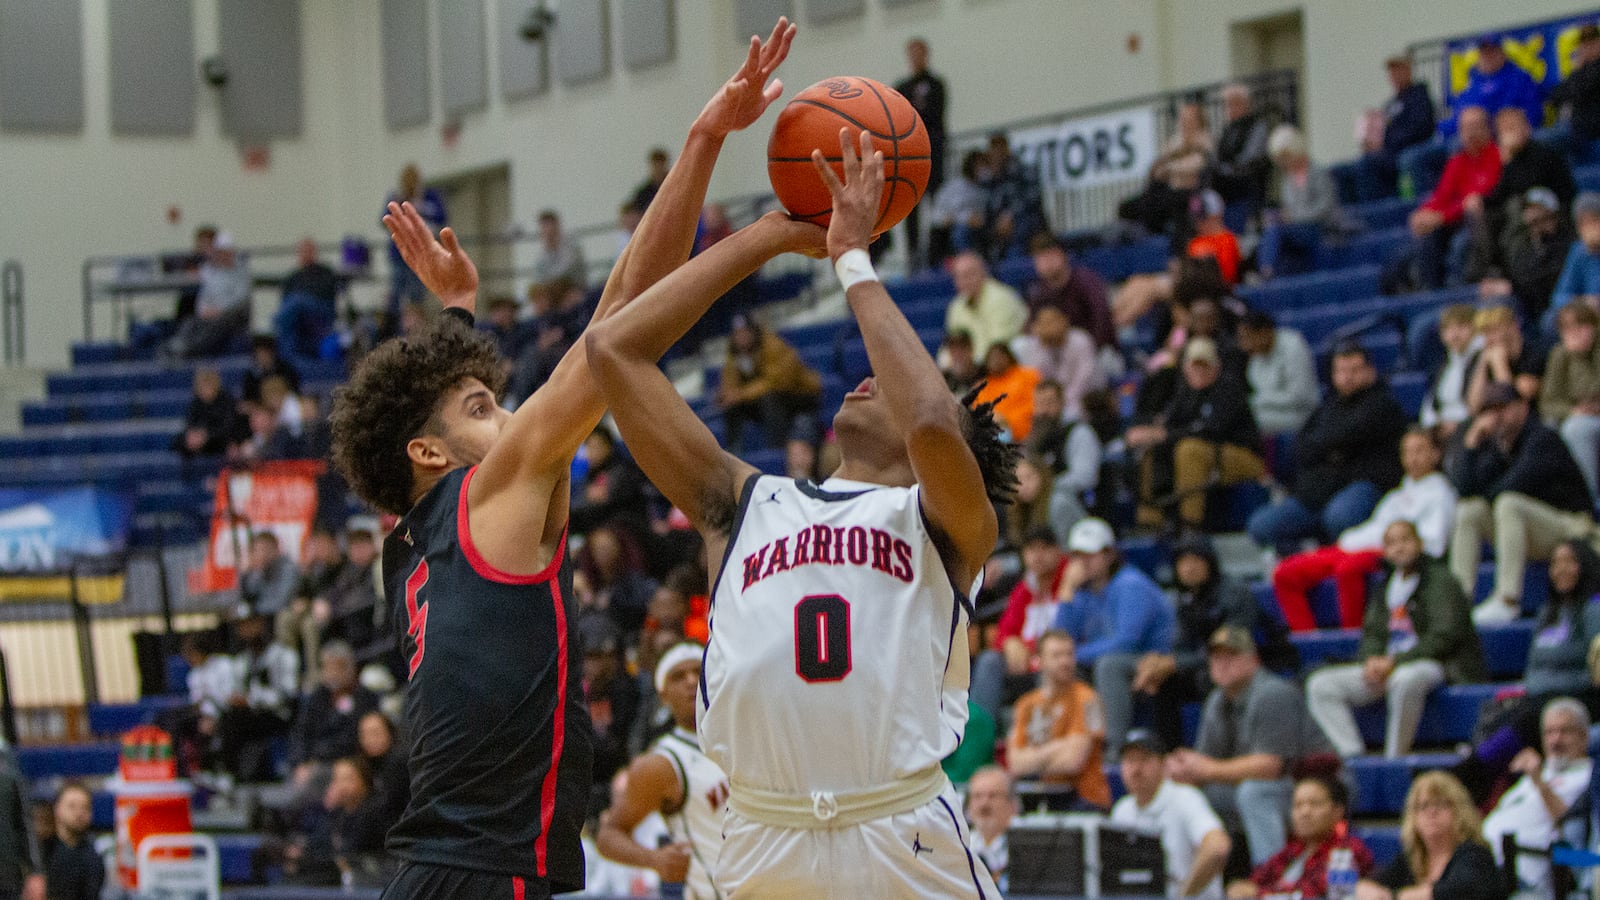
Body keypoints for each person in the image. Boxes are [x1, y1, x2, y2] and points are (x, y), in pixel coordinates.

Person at [329, 22, 798, 899]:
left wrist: (460, 318)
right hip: (484, 875)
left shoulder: (408, 546)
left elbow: (583, 339)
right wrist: (722, 172)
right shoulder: (491, 491)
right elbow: (618, 326)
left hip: (434, 871)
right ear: (430, 451)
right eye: (483, 407)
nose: (510, 416)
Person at [584, 125, 1009, 896]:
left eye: (904, 380)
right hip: (761, 833)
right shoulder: (741, 504)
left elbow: (935, 425)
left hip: (902, 828)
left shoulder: (947, 523)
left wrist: (853, 260)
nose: (875, 377)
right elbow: (614, 349)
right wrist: (768, 237)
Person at [1306, 520, 1485, 758]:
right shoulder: (1385, 585)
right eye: (1392, 543)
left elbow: (1445, 635)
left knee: (1405, 679)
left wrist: (1397, 661)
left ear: (1419, 544)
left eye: (1405, 540)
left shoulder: (1441, 580)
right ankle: (1352, 755)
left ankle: (1394, 759)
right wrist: (1371, 660)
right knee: (1320, 685)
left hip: (1434, 662)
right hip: (1389, 665)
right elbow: (1373, 633)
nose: (1399, 547)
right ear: (1385, 550)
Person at [1168, 626, 1336, 867]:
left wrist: (1205, 769)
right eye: (1216, 657)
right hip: (1270, 788)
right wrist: (1183, 768)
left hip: (1317, 788)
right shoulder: (1217, 700)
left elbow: (1270, 767)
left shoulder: (1273, 693)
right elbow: (1204, 762)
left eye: (1231, 656)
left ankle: (1271, 879)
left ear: (1253, 660)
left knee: (1255, 793)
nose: (1222, 664)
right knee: (1185, 794)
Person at [1455, 540, 1600, 804]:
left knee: (1530, 715)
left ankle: (1470, 772)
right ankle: (1478, 781)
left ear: (1585, 566)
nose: (1561, 569)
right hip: (1538, 701)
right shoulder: (1547, 613)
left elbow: (1596, 668)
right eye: (1555, 562)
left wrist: (1555, 687)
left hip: (1581, 699)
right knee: (1501, 710)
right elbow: (1533, 669)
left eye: (1569, 561)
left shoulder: (1593, 610)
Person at [1272, 428, 1457, 632]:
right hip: (1360, 546)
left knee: (1349, 568)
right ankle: (1307, 642)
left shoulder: (1441, 494)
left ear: (1436, 454)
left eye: (1419, 450)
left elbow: (1433, 545)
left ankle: (1352, 639)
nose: (1413, 458)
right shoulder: (1396, 495)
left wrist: (1388, 545)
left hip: (1388, 553)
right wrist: (1352, 540)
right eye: (1408, 452)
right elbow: (1375, 527)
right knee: (1286, 572)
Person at [1445, 382, 1597, 625]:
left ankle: (1508, 599)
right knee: (1469, 510)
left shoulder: (1542, 438)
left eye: (1502, 408)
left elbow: (1511, 487)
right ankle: (1458, 605)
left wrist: (1483, 484)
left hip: (1573, 527)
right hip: (1530, 528)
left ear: (1522, 407)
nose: (1495, 417)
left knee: (1508, 503)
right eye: (1489, 411)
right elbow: (1465, 490)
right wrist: (1471, 445)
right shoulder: (1497, 445)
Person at [1139, 536, 1295, 755]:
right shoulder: (1185, 600)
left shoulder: (1234, 592)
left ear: (1210, 562)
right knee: (1164, 680)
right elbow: (1182, 647)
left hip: (1262, 663)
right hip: (1209, 664)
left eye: (1195, 561)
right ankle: (1170, 754)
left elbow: (1231, 647)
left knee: (1211, 676)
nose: (1188, 568)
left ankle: (1217, 753)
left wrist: (1175, 662)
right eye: (1182, 562)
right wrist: (1158, 664)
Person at [1248, 345, 1408, 553]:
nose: (1347, 377)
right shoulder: (1327, 408)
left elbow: (1350, 434)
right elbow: (1301, 447)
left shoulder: (1383, 405)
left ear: (1370, 372)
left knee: (1339, 516)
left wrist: (1329, 447)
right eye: (1341, 371)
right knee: (1261, 525)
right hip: (1319, 491)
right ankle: (1302, 563)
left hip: (1364, 486)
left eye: (1354, 370)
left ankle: (1338, 563)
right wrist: (1332, 449)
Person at [596, 644, 727, 900]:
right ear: (663, 696)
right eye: (678, 676)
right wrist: (655, 859)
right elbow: (608, 836)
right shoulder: (662, 763)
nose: (691, 681)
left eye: (697, 672)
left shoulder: (748, 739)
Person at [1127, 337, 1263, 531]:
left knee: (1189, 450)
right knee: (1152, 448)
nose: (1200, 371)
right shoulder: (1184, 393)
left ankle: (1190, 524)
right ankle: (1150, 523)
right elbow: (1168, 426)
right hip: (1208, 454)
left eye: (1205, 366)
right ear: (1185, 368)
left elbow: (1210, 430)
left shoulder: (1229, 390)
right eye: (1195, 366)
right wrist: (1152, 434)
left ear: (1216, 367)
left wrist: (1164, 435)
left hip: (1246, 458)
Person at [1401, 36, 1541, 198]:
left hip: (1494, 137)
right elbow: (1455, 117)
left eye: (1492, 52)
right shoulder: (1471, 84)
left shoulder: (1518, 78)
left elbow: (1529, 113)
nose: (1487, 56)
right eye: (1483, 52)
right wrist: (1445, 129)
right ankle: (1427, 203)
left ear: (1502, 54)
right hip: (1460, 136)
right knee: (1412, 157)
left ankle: (1464, 197)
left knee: (1457, 147)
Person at [1481, 698, 1593, 895]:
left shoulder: (1589, 776)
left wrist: (1539, 783)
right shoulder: (1539, 770)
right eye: (1549, 732)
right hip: (1487, 861)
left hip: (1525, 874)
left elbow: (1572, 829)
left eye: (1564, 731)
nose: (1555, 740)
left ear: (1584, 736)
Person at [1390, 106, 1502, 293]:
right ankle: (1430, 293)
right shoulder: (1457, 161)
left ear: (1487, 129)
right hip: (1453, 221)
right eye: (1466, 128)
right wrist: (1424, 213)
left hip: (1484, 220)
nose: (1471, 133)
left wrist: (1441, 217)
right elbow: (1442, 196)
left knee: (1460, 243)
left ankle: (1460, 292)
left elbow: (1480, 197)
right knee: (1425, 238)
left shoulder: (1497, 157)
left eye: (1476, 127)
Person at [1110, 729, 1231, 900]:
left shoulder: (1185, 798)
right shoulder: (1122, 810)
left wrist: (1185, 894)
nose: (1136, 769)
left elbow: (1217, 846)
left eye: (1144, 760)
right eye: (1130, 760)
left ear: (1163, 764)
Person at [1354, 771, 1504, 900]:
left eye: (1441, 804)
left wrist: (1400, 896)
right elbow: (1370, 884)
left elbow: (1462, 889)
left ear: (1460, 812)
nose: (1431, 812)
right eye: (1423, 806)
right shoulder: (1412, 859)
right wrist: (1366, 889)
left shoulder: (1474, 854)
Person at [1006, 630, 1113, 811]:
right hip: (1041, 798)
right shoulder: (1025, 705)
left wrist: (1034, 756)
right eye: (1056, 655)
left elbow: (1073, 762)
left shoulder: (1089, 700)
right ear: (1039, 660)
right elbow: (1015, 764)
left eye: (1069, 654)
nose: (1065, 661)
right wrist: (1061, 746)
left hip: (1085, 801)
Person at [971, 525, 1066, 721]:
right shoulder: (1025, 588)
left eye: (1045, 548)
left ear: (1057, 551)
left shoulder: (1068, 582)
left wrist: (1029, 648)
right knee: (989, 660)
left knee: (1050, 663)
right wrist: (1009, 643)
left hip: (1054, 658)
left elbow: (1068, 630)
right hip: (1024, 662)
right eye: (1032, 549)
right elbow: (1004, 631)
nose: (1038, 556)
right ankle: (979, 731)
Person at [1228, 775, 1374, 900]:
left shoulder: (1347, 850)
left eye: (1314, 804)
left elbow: (1315, 894)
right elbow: (1254, 881)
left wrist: (1258, 894)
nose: (1304, 812)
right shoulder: (1291, 850)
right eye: (1297, 805)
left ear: (1337, 811)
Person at [716, 313, 822, 454]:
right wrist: (728, 395)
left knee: (770, 399)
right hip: (764, 399)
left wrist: (741, 394)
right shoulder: (734, 355)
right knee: (732, 406)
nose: (742, 337)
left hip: (799, 395)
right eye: (737, 334)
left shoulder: (773, 345)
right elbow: (729, 384)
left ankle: (776, 450)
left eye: (745, 332)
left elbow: (777, 382)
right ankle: (734, 452)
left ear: (754, 331)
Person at [1258, 125, 1353, 279]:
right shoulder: (1287, 181)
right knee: (1272, 229)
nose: (1284, 162)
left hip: (1320, 227)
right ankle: (1268, 271)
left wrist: (1293, 217)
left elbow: (1325, 207)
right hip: (1298, 229)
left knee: (1276, 231)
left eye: (1286, 156)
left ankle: (1266, 270)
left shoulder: (1318, 173)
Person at [1340, 55, 1436, 203]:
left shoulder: (1419, 96)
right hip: (1385, 153)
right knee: (1341, 171)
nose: (1394, 76)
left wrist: (1384, 142)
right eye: (1391, 72)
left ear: (1408, 71)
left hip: (1406, 150)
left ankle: (1377, 212)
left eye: (1398, 70)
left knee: (1367, 164)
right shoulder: (1390, 105)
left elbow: (1420, 128)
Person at [216, 611, 299, 782]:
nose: (246, 631)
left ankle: (235, 775)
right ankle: (231, 775)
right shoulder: (242, 660)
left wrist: (252, 699)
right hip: (250, 715)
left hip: (278, 714)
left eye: (250, 624)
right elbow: (234, 691)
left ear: (262, 624)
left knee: (235, 720)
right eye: (241, 626)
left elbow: (288, 694)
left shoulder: (283, 654)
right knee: (228, 717)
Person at [894, 37, 946, 269]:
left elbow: (935, 116)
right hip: (910, 157)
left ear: (926, 54)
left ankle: (939, 252)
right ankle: (914, 255)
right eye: (911, 53)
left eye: (919, 53)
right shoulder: (901, 88)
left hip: (933, 154)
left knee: (938, 205)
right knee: (911, 208)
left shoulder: (937, 84)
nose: (915, 58)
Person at [1540, 302, 1600, 498]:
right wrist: (1573, 411)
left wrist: (1580, 359)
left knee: (1578, 428)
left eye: (1581, 326)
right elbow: (1547, 404)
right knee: (1571, 428)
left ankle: (1589, 500)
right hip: (1582, 417)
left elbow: (1593, 388)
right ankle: (1585, 501)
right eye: (1567, 329)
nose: (1575, 333)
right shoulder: (1560, 355)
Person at [167, 231, 253, 359]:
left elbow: (240, 299)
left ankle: (190, 350)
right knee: (190, 322)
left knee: (217, 324)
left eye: (225, 253)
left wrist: (220, 310)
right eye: (220, 253)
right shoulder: (213, 273)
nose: (222, 256)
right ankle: (177, 345)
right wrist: (203, 310)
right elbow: (204, 296)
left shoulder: (241, 273)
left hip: (231, 315)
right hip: (212, 313)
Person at [1026, 233, 1116, 351]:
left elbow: (1102, 319)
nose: (1047, 263)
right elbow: (1031, 325)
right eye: (1040, 258)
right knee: (1022, 344)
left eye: (1050, 255)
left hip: (1097, 350)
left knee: (1077, 340)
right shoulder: (1039, 290)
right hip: (1056, 351)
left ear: (1062, 255)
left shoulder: (1085, 281)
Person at [1236, 309, 1318, 437]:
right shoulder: (1255, 356)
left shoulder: (1293, 346)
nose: (1244, 345)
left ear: (1263, 333)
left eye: (1247, 338)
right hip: (1270, 411)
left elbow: (1299, 397)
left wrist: (1257, 401)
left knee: (1245, 424)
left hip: (1303, 413)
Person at [384, 164, 447, 318]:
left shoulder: (429, 196)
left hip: (421, 252)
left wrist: (421, 208)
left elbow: (442, 216)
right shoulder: (396, 197)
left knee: (417, 293)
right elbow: (385, 219)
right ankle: (393, 323)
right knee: (397, 292)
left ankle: (415, 322)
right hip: (400, 252)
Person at [943, 251, 1026, 360]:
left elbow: (998, 344)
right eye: (959, 277)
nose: (965, 281)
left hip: (1004, 361)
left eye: (969, 274)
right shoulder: (956, 306)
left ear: (983, 272)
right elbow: (951, 344)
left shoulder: (1001, 298)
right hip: (972, 366)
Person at [276, 238, 342, 365]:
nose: (304, 254)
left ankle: (275, 321)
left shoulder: (325, 272)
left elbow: (327, 294)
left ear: (314, 252)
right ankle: (289, 365)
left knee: (297, 301)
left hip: (321, 311)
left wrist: (304, 298)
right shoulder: (293, 277)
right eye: (302, 251)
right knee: (287, 326)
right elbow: (284, 300)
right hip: (298, 318)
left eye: (307, 250)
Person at [1210, 84, 1271, 219]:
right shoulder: (1228, 129)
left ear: (1244, 104)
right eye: (1227, 105)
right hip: (1226, 180)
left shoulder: (1257, 126)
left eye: (1233, 104)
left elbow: (1250, 158)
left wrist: (1228, 169)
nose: (1229, 109)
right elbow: (1218, 156)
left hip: (1246, 180)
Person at [1419, 304, 1481, 435]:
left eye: (1461, 326)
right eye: (1448, 329)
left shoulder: (1482, 358)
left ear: (1475, 327)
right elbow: (1430, 406)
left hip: (1470, 428)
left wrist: (1459, 425)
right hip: (1443, 431)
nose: (1454, 334)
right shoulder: (1444, 363)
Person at [984, 131, 1044, 261]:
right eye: (993, 149)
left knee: (1019, 232)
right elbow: (989, 206)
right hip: (999, 227)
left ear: (1007, 149)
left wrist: (1009, 215)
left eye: (999, 148)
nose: (996, 153)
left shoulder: (1025, 170)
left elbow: (1032, 197)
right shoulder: (991, 180)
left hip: (1025, 221)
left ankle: (1015, 265)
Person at [1546, 23, 1600, 159]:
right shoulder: (1582, 69)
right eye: (1584, 44)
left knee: (1540, 141)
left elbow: (1580, 90)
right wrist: (1578, 70)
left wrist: (1577, 69)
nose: (1588, 47)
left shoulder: (1590, 69)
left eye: (1592, 42)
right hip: (1575, 127)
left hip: (1590, 128)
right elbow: (1555, 95)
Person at [39, 783, 100, 900]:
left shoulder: (93, 858)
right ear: (57, 808)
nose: (79, 813)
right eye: (72, 806)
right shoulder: (41, 851)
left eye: (85, 807)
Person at [1549, 192, 1600, 324]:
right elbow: (1559, 296)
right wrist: (1583, 302)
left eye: (1594, 220)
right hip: (1588, 313)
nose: (1590, 228)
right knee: (1550, 320)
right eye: (1584, 223)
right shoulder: (1579, 251)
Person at [173, 367, 246, 459]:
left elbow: (229, 426)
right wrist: (193, 436)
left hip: (221, 439)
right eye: (203, 387)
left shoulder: (226, 399)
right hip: (200, 439)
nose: (206, 390)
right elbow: (190, 422)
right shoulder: (196, 402)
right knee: (180, 442)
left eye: (208, 386)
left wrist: (206, 435)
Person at [974, 342, 1040, 441]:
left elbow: (1038, 404)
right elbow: (977, 414)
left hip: (1028, 434)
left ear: (1009, 356)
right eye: (992, 357)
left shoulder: (1028, 376)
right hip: (992, 439)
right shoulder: (981, 386)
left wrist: (1007, 420)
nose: (996, 361)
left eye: (1000, 356)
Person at [963, 766, 1016, 882]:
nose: (984, 803)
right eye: (977, 796)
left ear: (1012, 805)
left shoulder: (1024, 848)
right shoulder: (960, 845)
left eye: (993, 796)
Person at [1187, 190, 1242, 285]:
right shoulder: (1194, 242)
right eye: (1195, 217)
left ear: (1215, 216)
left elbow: (1227, 277)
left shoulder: (1228, 240)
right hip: (1194, 291)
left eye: (1202, 217)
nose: (1198, 223)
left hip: (1218, 293)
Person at [239, 531, 298, 618]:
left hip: (282, 617)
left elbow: (280, 603)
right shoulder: (259, 570)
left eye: (265, 549)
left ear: (276, 549)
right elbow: (246, 598)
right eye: (257, 550)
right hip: (262, 618)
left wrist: (253, 609)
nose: (262, 554)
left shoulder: (288, 568)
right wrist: (244, 574)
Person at [533, 209, 586, 295]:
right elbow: (539, 276)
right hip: (552, 291)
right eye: (543, 227)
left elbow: (566, 270)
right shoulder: (543, 252)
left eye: (548, 226)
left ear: (557, 226)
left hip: (573, 288)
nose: (546, 231)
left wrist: (549, 280)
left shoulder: (571, 244)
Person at [629, 147, 671, 214]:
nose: (657, 169)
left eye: (660, 165)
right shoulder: (643, 192)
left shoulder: (673, 188)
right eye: (655, 165)